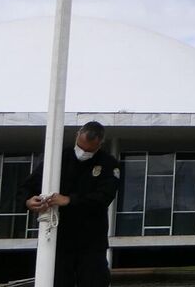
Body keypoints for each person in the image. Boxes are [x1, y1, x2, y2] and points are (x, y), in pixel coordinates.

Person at [26, 121, 121, 287]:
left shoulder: (108, 164)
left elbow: (103, 198)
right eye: (81, 146)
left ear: (100, 144)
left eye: (89, 149)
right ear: (77, 135)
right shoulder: (58, 159)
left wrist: (69, 200)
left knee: (94, 280)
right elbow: (29, 186)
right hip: (59, 239)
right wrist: (28, 201)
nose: (83, 152)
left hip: (91, 240)